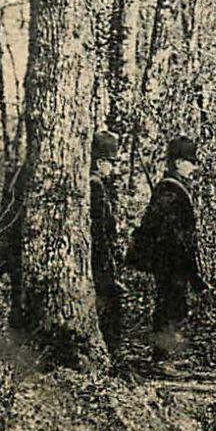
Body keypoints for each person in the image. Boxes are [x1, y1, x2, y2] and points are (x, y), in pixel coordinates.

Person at [127, 135, 207, 374]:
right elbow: (167, 231)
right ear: (177, 162)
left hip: (176, 260)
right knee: (168, 307)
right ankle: (161, 358)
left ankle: (166, 355)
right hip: (171, 260)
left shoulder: (173, 188)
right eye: (190, 162)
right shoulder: (170, 189)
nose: (194, 168)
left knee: (175, 305)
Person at [87, 131, 127, 361]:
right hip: (99, 261)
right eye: (112, 163)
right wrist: (108, 266)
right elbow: (101, 232)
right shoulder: (96, 186)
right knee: (110, 305)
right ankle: (112, 354)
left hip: (97, 259)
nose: (113, 169)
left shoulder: (95, 184)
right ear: (101, 162)